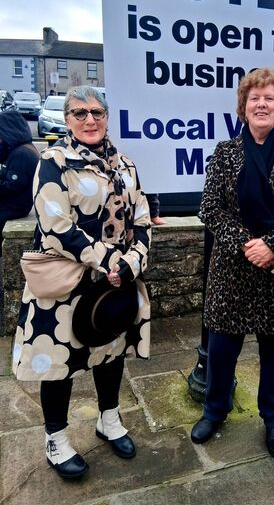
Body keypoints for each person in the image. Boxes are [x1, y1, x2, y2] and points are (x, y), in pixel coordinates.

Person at [12, 86, 152, 479]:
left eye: (96, 112)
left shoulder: (125, 163)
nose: (89, 120)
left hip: (113, 283)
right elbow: (56, 226)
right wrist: (108, 260)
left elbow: (141, 218)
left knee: (111, 351)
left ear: (107, 116)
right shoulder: (54, 161)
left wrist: (132, 262)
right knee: (60, 363)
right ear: (68, 119)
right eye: (79, 113)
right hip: (66, 283)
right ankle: (56, 439)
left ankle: (108, 420)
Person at [190, 68, 274, 457]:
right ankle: (214, 411)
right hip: (231, 269)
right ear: (243, 107)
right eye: (254, 98)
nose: (261, 104)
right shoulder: (226, 152)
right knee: (222, 349)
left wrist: (269, 246)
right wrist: (248, 244)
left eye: (269, 98)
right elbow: (209, 208)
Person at [0, 109, 39, 256]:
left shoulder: (22, 154)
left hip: (14, 207)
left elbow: (12, 186)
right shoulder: (20, 150)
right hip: (14, 205)